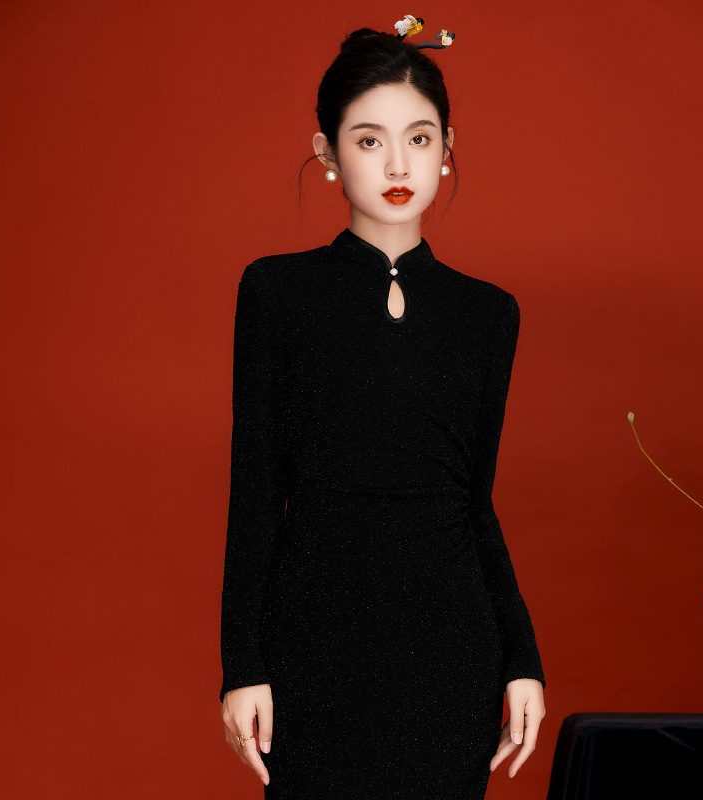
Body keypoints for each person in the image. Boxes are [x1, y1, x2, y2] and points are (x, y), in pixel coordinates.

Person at [219, 20, 546, 799]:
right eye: (369, 141)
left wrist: (522, 660)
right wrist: (241, 666)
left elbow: (473, 504)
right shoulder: (276, 291)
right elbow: (256, 495)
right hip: (314, 652)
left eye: (419, 138)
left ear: (447, 148)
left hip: (453, 660)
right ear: (328, 152)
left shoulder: (488, 314)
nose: (399, 165)